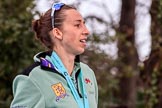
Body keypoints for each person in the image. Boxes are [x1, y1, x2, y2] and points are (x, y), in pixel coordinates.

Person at [10, 2, 98, 108]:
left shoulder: (87, 73)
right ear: (57, 33)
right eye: (77, 25)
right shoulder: (33, 78)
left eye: (84, 24)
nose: (86, 31)